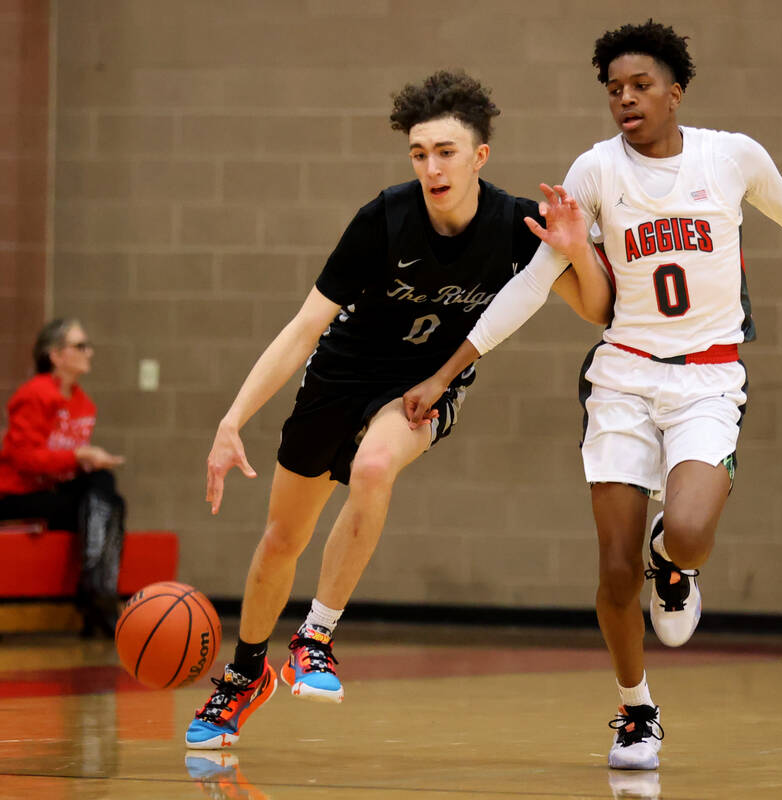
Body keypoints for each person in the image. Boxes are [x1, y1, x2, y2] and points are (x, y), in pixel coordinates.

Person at [403, 21, 782, 771]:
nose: (626, 100)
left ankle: (673, 565)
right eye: (614, 90)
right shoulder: (596, 171)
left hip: (708, 378)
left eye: (641, 86)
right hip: (625, 376)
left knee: (693, 530)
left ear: (677, 92)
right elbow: (535, 283)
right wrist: (445, 371)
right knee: (612, 573)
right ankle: (636, 711)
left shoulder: (730, 157)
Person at [186, 71, 610, 750]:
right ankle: (245, 675)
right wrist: (231, 419)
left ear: (480, 156)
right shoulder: (382, 218)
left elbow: (597, 309)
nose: (431, 166)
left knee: (377, 464)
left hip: (423, 387)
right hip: (340, 376)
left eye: (445, 151)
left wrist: (575, 250)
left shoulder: (511, 225)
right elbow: (303, 327)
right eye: (419, 153)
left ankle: (316, 637)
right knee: (281, 541)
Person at [0, 318, 127, 634]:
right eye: (80, 346)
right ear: (56, 355)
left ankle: (97, 589)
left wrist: (88, 462)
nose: (89, 352)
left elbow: (62, 463)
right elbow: (25, 460)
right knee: (100, 495)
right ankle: (98, 595)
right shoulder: (34, 395)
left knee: (105, 488)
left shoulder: (84, 405)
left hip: (53, 492)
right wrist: (78, 456)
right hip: (16, 497)